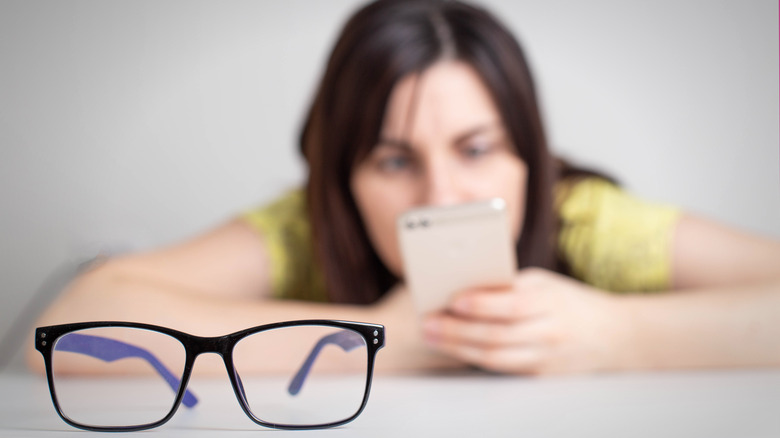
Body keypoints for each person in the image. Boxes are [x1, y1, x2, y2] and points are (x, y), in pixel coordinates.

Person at [29, 0, 780, 375]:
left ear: (532, 159)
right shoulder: (305, 231)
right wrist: (382, 343)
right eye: (393, 161)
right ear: (342, 178)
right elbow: (65, 328)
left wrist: (612, 335)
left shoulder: (584, 221)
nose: (442, 194)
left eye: (477, 149)